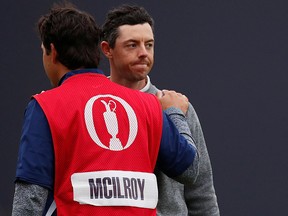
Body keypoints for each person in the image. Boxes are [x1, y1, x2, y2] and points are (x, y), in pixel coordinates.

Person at [12, 2, 199, 216]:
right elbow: (190, 170)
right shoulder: (149, 104)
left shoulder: (45, 106)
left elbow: (30, 200)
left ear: (52, 52)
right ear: (99, 50)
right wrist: (174, 113)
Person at [100, 4, 220, 216]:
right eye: (132, 45)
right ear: (107, 49)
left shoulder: (178, 106)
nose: (143, 53)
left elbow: (201, 192)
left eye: (149, 44)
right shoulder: (93, 106)